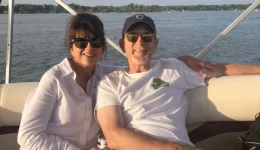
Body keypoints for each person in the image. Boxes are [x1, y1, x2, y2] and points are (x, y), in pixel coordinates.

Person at [17, 13, 212, 150]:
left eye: (96, 42)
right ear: (71, 47)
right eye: (81, 42)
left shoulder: (105, 74)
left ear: (103, 47)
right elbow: (28, 138)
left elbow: (139, 70)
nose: (89, 48)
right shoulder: (54, 79)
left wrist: (183, 60)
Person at [95, 13, 260, 150]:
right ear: (123, 44)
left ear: (155, 43)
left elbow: (219, 69)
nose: (139, 43)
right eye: (132, 37)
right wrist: (173, 148)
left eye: (147, 37)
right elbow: (114, 136)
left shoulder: (173, 68)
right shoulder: (110, 83)